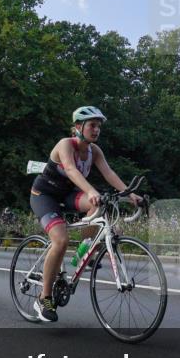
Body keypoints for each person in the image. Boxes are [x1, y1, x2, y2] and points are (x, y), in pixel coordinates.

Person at [29, 106, 142, 323]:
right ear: (78, 126)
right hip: (45, 195)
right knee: (61, 241)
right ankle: (44, 298)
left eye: (99, 126)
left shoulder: (95, 151)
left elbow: (109, 173)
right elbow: (70, 169)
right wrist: (91, 191)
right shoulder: (65, 144)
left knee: (98, 208)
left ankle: (84, 253)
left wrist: (131, 195)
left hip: (68, 194)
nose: (96, 130)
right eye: (92, 125)